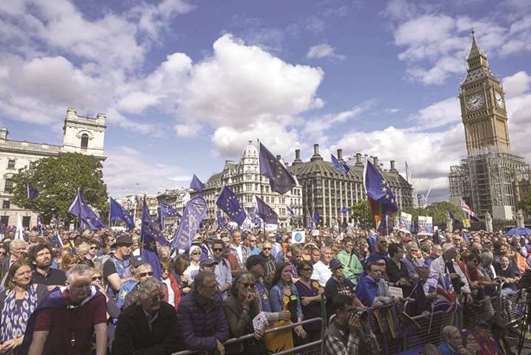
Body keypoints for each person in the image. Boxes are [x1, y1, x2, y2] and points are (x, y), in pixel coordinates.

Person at [26, 264, 107, 355]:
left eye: (87, 285)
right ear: (67, 285)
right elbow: (40, 337)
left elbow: (101, 330)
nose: (84, 290)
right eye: (79, 286)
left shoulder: (97, 298)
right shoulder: (52, 301)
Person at [112, 277, 180, 355]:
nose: (158, 300)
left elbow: (174, 343)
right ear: (142, 298)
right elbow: (123, 350)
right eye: (154, 298)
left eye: (161, 297)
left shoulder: (168, 311)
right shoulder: (127, 317)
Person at [0, 259, 48, 354]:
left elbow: (44, 321)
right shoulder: (3, 296)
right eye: (21, 274)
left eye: (28, 272)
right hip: (7, 348)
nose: (27, 276)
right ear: (13, 278)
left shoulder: (40, 290)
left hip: (33, 347)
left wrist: (21, 339)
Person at [176, 271, 229, 354]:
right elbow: (189, 339)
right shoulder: (185, 306)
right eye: (211, 287)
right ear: (200, 289)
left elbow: (224, 330)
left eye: (216, 285)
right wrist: (213, 342)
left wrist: (214, 342)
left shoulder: (216, 300)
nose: (216, 290)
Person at [269, 263, 307, 340]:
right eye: (286, 271)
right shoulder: (275, 290)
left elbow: (298, 307)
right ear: (279, 273)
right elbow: (278, 312)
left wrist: (299, 324)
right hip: (285, 327)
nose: (288, 273)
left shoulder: (293, 287)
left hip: (298, 324)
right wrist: (294, 326)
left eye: (290, 271)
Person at [295, 261, 324, 341]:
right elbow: (302, 302)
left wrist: (310, 299)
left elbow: (323, 297)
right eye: (307, 269)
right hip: (307, 323)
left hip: (319, 321)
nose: (309, 271)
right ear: (300, 271)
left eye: (311, 269)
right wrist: (317, 297)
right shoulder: (296, 286)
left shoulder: (315, 282)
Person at [103, 234, 134, 301]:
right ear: (118, 247)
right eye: (126, 246)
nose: (129, 249)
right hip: (116, 300)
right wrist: (132, 278)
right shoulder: (110, 263)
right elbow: (117, 286)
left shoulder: (131, 260)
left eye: (131, 247)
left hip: (131, 298)